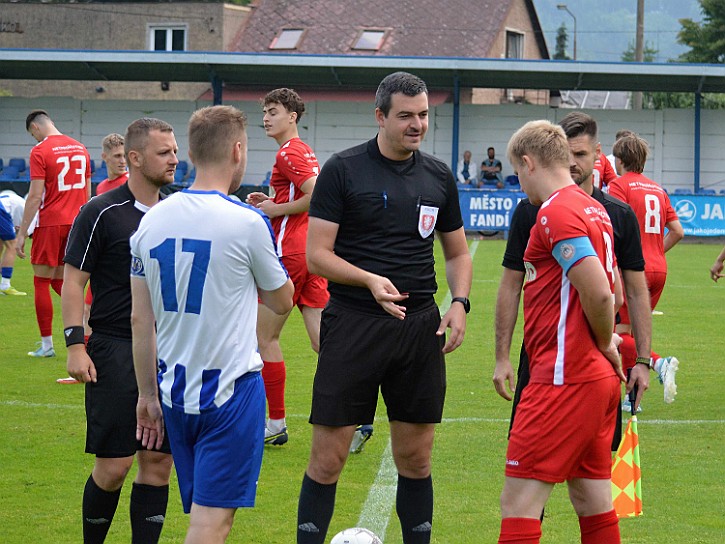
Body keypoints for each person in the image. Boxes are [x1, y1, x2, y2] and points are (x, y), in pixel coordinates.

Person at [296, 71, 472, 544]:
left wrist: (458, 303)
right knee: (328, 458)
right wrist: (369, 280)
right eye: (406, 116)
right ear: (380, 116)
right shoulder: (344, 169)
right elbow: (318, 255)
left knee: (416, 458)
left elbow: (456, 253)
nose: (417, 125)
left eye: (423, 115)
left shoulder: (438, 175)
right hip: (354, 324)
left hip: (418, 330)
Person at [131, 105, 294, 543]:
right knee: (211, 524)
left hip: (172, 392)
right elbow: (283, 300)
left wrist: (147, 394)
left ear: (190, 152)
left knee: (205, 516)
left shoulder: (150, 222)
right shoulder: (246, 221)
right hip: (229, 393)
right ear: (238, 151)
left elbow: (139, 319)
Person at [498, 119, 625, 544]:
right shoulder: (594, 208)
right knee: (593, 502)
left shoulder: (556, 211)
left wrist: (605, 340)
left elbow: (603, 295)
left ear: (530, 163)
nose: (519, 184)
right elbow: (617, 291)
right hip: (594, 381)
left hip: (562, 378)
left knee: (518, 506)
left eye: (518, 172)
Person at [494, 112, 651, 440]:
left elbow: (632, 293)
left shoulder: (617, 214)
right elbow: (511, 285)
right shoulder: (530, 210)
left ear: (598, 153)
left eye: (581, 154)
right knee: (579, 478)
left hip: (591, 357)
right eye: (567, 154)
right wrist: (502, 356)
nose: (573, 163)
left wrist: (643, 359)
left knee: (549, 472)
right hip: (541, 355)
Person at [61, 118, 178, 543]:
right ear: (134, 158)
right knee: (114, 466)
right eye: (164, 152)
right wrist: (76, 346)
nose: (174, 159)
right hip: (114, 348)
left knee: (157, 464)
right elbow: (73, 281)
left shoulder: (177, 210)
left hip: (168, 353)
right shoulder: (102, 211)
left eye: (175, 150)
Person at [245, 88, 328, 446]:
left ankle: (275, 424)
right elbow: (307, 196)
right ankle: (355, 414)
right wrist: (275, 200)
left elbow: (317, 194)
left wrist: (275, 210)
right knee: (324, 343)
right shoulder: (303, 149)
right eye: (264, 111)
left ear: (292, 116)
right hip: (311, 251)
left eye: (274, 111)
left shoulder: (288, 152)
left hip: (289, 253)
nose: (266, 117)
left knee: (264, 338)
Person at [609, 133, 684, 404]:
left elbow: (612, 227)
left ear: (620, 160)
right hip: (658, 269)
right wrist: (655, 252)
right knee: (635, 331)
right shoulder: (657, 189)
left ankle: (658, 363)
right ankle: (633, 397)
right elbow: (677, 231)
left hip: (633, 270)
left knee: (619, 333)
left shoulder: (619, 186)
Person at [17, 109, 91, 358]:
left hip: (50, 223)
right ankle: (88, 319)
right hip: (77, 222)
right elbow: (87, 191)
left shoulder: (40, 150)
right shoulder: (81, 148)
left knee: (41, 280)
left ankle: (47, 346)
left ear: (35, 128)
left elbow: (36, 195)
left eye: (32, 135)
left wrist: (22, 233)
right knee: (64, 280)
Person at [82, 133, 129, 342]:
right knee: (87, 310)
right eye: (117, 156)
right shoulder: (101, 188)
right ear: (104, 156)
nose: (122, 161)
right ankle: (85, 366)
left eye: (124, 155)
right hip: (102, 259)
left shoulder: (129, 185)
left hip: (120, 261)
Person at [0, 190, 27, 296]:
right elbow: (22, 230)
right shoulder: (23, 205)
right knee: (12, 245)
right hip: (1, 210)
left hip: (2, 209)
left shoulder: (14, 200)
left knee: (1, 244)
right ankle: (5, 285)